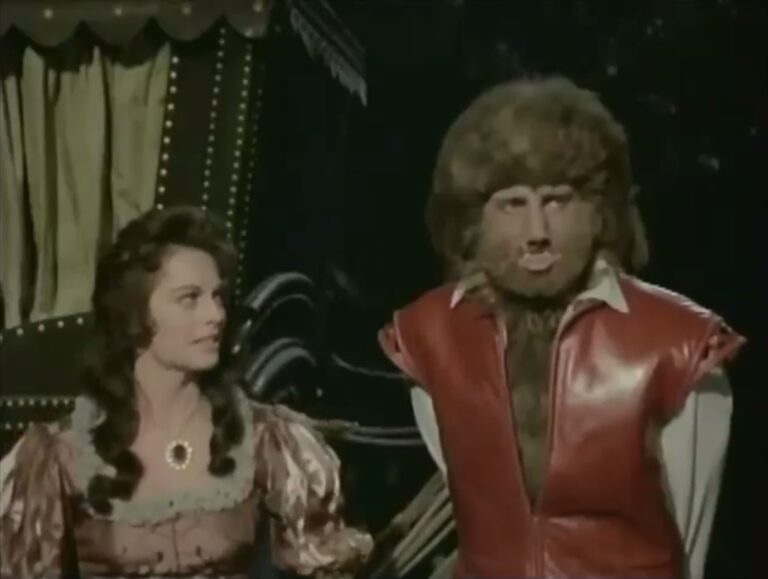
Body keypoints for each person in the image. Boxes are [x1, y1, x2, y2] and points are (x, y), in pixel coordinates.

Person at [378, 77, 745, 579]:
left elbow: (689, 547)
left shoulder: (679, 346)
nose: (537, 233)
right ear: (472, 220)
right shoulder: (429, 337)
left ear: (598, 213)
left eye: (557, 201)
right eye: (512, 204)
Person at [0, 205, 372, 578]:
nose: (216, 315)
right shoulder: (60, 456)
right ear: (135, 313)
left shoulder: (264, 438)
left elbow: (323, 563)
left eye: (218, 297)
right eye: (190, 298)